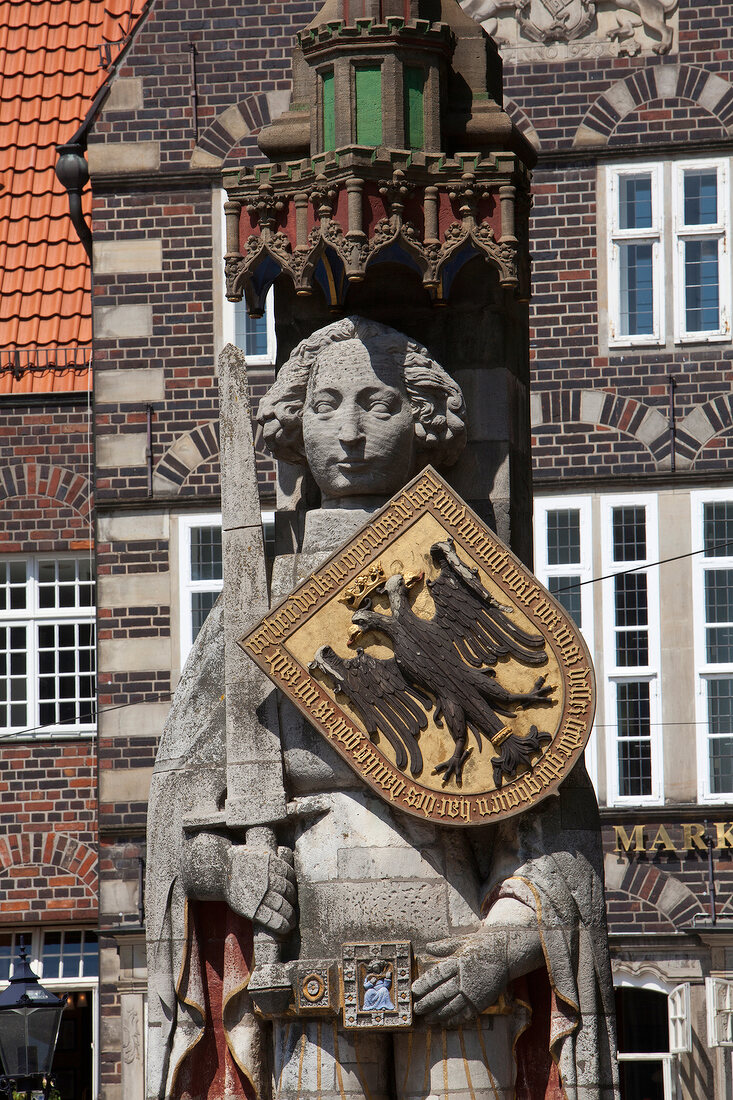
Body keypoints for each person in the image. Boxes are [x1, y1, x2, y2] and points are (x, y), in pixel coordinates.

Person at [146, 317, 619, 1100]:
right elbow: (178, 818)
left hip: (457, 950)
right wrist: (230, 870)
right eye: (327, 405)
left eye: (379, 404)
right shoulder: (257, 597)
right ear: (295, 423)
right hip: (307, 961)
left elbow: (545, 814)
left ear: (424, 420)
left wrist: (499, 951)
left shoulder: (462, 572)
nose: (353, 433)